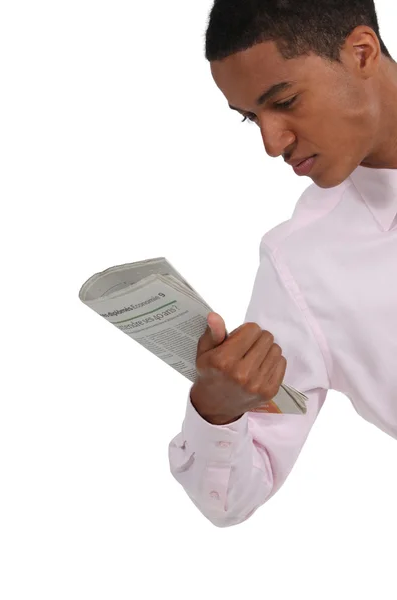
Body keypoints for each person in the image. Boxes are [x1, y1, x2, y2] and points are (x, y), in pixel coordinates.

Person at [168, 0, 397, 528]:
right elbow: (232, 496)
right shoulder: (301, 265)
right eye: (252, 118)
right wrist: (218, 410)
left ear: (361, 52)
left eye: (286, 101)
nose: (272, 143)